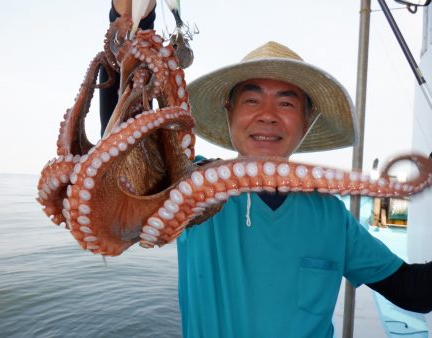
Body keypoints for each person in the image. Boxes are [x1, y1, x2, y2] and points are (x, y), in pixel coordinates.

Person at [104, 2, 432, 337]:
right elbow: (124, 158)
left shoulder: (332, 216)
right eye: (251, 100)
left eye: (287, 103)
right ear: (229, 113)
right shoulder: (191, 188)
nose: (268, 115)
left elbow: (413, 290)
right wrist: (131, 19)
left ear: (307, 122)